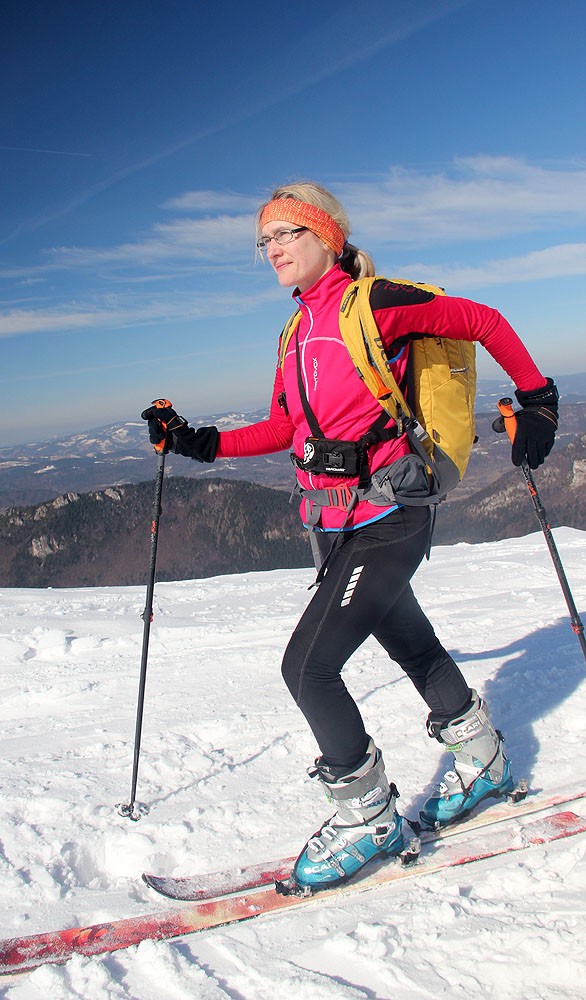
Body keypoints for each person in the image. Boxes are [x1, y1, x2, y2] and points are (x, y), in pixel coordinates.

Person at [141, 180, 559, 891]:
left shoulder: (376, 304)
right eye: (263, 239)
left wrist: (538, 397)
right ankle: (483, 761)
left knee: (306, 669)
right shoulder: (295, 330)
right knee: (412, 643)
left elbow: (484, 321)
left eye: (286, 234)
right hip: (333, 524)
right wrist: (199, 442)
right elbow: (286, 429)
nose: (272, 248)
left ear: (325, 236)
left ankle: (368, 819)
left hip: (392, 515)